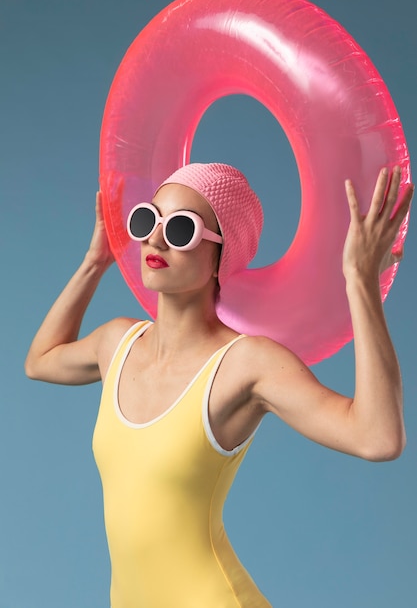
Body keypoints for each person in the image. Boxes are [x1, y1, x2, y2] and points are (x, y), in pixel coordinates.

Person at [25, 162, 413, 607]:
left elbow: (378, 437)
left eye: (181, 229)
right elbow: (40, 361)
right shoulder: (117, 342)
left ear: (220, 256)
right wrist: (95, 263)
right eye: (148, 219)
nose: (155, 238)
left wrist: (361, 282)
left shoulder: (246, 364)